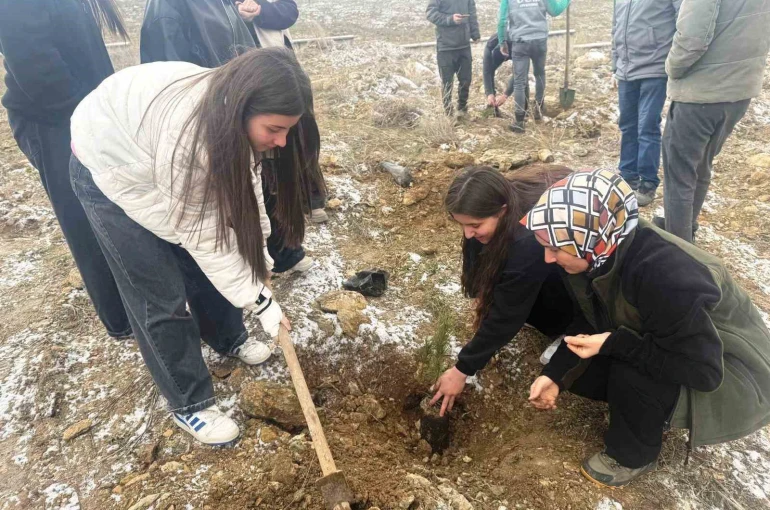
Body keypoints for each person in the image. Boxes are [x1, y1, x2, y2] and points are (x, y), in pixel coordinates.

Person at [69, 48, 322, 445]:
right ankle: (189, 404)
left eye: (287, 130)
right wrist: (257, 298)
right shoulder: (190, 137)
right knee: (157, 291)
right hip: (110, 166)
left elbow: (246, 200)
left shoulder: (231, 117)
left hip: (151, 152)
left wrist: (259, 266)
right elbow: (204, 234)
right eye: (274, 129)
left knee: (212, 248)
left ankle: (227, 337)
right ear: (244, 108)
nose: (281, 141)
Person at [522, 168, 770, 487]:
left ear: (588, 238)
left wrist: (615, 344)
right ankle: (647, 410)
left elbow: (704, 372)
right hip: (681, 346)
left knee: (631, 375)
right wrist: (554, 375)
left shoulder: (663, 276)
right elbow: (591, 317)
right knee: (585, 377)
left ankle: (633, 455)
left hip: (735, 373)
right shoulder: (602, 248)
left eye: (555, 248)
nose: (547, 258)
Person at [140, 0, 327, 274]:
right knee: (225, 202)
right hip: (213, 118)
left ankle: (280, 253)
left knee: (264, 178)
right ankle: (235, 269)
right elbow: (170, 81)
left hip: (243, 107)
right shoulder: (167, 8)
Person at [0, 0, 131, 339]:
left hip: (86, 110)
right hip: (55, 119)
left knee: (106, 205)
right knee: (82, 216)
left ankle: (131, 297)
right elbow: (34, 63)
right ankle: (119, 317)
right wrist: (86, 112)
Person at [430, 165, 576, 416]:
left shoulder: (529, 239)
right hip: (540, 264)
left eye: (475, 224)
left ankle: (569, 330)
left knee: (528, 304)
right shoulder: (500, 203)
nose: (467, 233)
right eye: (461, 224)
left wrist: (462, 369)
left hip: (573, 287)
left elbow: (507, 315)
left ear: (502, 211)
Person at [658, 0, 770, 242]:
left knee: (680, 173)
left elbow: (691, 38)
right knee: (700, 165)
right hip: (738, 92)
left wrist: (671, 68)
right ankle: (684, 226)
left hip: (701, 92)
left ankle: (678, 248)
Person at [611, 0, 680, 207]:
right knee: (627, 125)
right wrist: (615, 62)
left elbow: (683, 22)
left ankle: (648, 182)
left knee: (647, 126)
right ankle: (627, 175)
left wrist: (673, 60)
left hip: (654, 67)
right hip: (626, 70)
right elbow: (616, 27)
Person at [498, 0, 548, 133]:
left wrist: (502, 41)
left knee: (519, 81)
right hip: (539, 39)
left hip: (520, 41)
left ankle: (519, 122)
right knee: (539, 73)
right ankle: (538, 108)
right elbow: (554, 10)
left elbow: (502, 20)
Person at [426, 0, 480, 117]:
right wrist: (450, 19)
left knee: (466, 80)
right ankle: (448, 113)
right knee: (447, 82)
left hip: (464, 45)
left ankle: (462, 108)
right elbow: (430, 13)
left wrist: (475, 33)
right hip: (445, 47)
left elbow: (472, 13)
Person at [481, 34, 516, 115]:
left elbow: (518, 74)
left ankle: (523, 109)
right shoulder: (490, 46)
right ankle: (493, 107)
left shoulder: (517, 44)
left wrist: (506, 95)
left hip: (516, 48)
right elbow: (487, 71)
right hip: (497, 52)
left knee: (522, 78)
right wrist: (489, 93)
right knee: (490, 69)